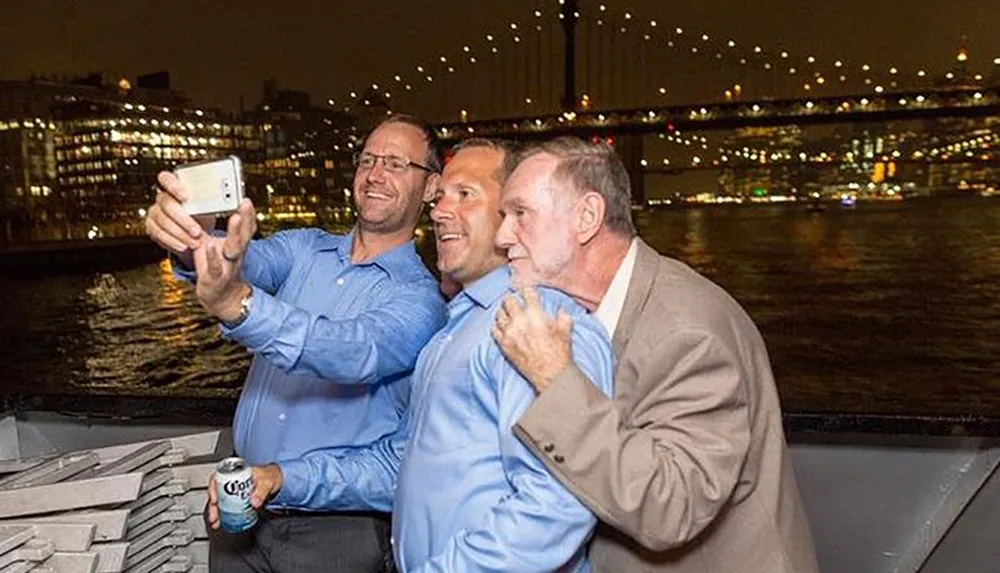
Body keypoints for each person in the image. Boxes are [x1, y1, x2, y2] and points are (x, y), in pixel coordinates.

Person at [214, 138, 617, 572]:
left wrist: (240, 305)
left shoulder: (541, 325)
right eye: (441, 197)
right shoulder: (458, 326)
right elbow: (398, 463)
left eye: (465, 195)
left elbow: (555, 509)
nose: (441, 211)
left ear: (510, 215)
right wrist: (282, 479)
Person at [491, 136, 820, 573]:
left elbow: (671, 505)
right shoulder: (600, 311)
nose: (501, 236)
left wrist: (554, 377)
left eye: (519, 214)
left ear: (587, 217)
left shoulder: (687, 333)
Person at [144, 114, 448, 573]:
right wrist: (192, 239)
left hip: (333, 534)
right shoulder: (304, 248)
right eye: (367, 159)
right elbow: (241, 261)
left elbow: (350, 350)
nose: (376, 173)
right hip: (239, 508)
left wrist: (235, 304)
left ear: (430, 188)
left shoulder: (420, 300)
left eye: (397, 163)